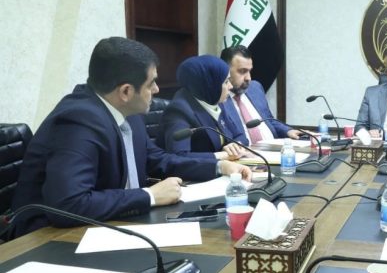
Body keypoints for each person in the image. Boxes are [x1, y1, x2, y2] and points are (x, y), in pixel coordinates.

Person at [10, 37, 251, 238]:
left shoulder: (128, 113)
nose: (157, 90)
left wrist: (218, 166)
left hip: (112, 222)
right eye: (151, 83)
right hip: (48, 237)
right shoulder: (79, 122)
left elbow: (157, 159)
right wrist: (149, 196)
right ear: (126, 91)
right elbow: (69, 204)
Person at [158, 55, 246, 159]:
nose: (230, 86)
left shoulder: (215, 100)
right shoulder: (179, 110)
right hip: (198, 169)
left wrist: (234, 146)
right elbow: (179, 156)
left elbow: (240, 136)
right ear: (210, 84)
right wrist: (222, 155)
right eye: (226, 82)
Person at [220, 45, 300, 144]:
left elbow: (269, 120)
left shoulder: (255, 88)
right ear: (225, 70)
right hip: (246, 151)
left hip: (274, 147)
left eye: (249, 71)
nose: (248, 78)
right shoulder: (218, 98)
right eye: (242, 71)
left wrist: (288, 131)